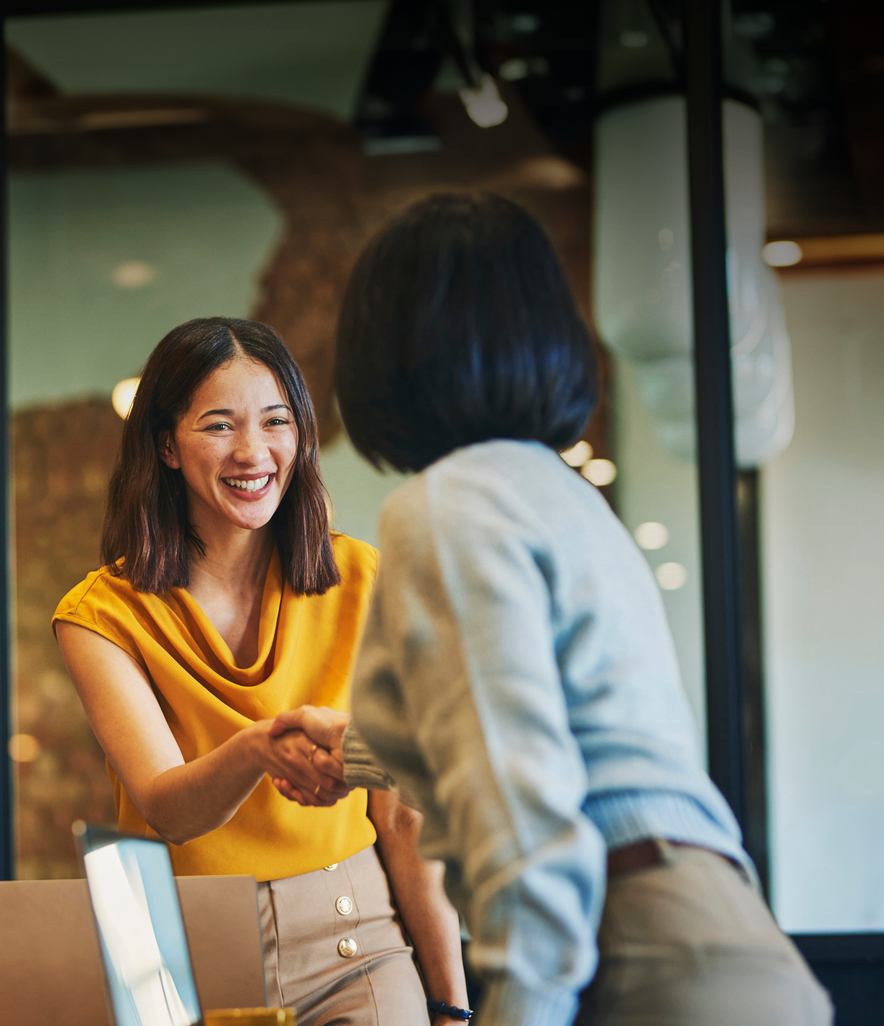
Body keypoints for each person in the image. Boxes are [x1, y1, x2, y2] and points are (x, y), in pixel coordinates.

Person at [268, 194, 831, 1026]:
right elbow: (563, 736)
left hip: (636, 948)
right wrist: (352, 754)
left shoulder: (448, 508)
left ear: (390, 347)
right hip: (715, 935)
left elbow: (524, 830)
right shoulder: (559, 498)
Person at [52, 316, 470, 1026]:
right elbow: (167, 809)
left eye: (276, 421)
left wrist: (452, 1007)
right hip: (179, 960)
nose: (253, 452)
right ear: (167, 446)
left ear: (301, 436)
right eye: (218, 426)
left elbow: (403, 817)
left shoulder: (364, 579)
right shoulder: (100, 615)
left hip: (356, 940)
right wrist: (256, 747)